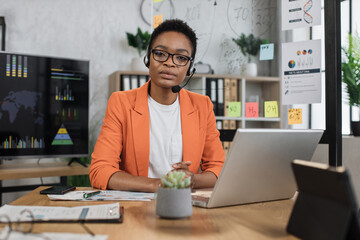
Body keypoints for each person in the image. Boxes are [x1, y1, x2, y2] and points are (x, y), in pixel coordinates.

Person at [89, 19, 225, 192]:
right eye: (160, 54)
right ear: (148, 59)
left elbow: (218, 169)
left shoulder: (202, 106)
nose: (169, 63)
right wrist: (158, 184)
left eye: (181, 58)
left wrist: (192, 180)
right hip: (136, 209)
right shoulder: (121, 103)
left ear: (190, 68)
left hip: (183, 205)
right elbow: (100, 171)